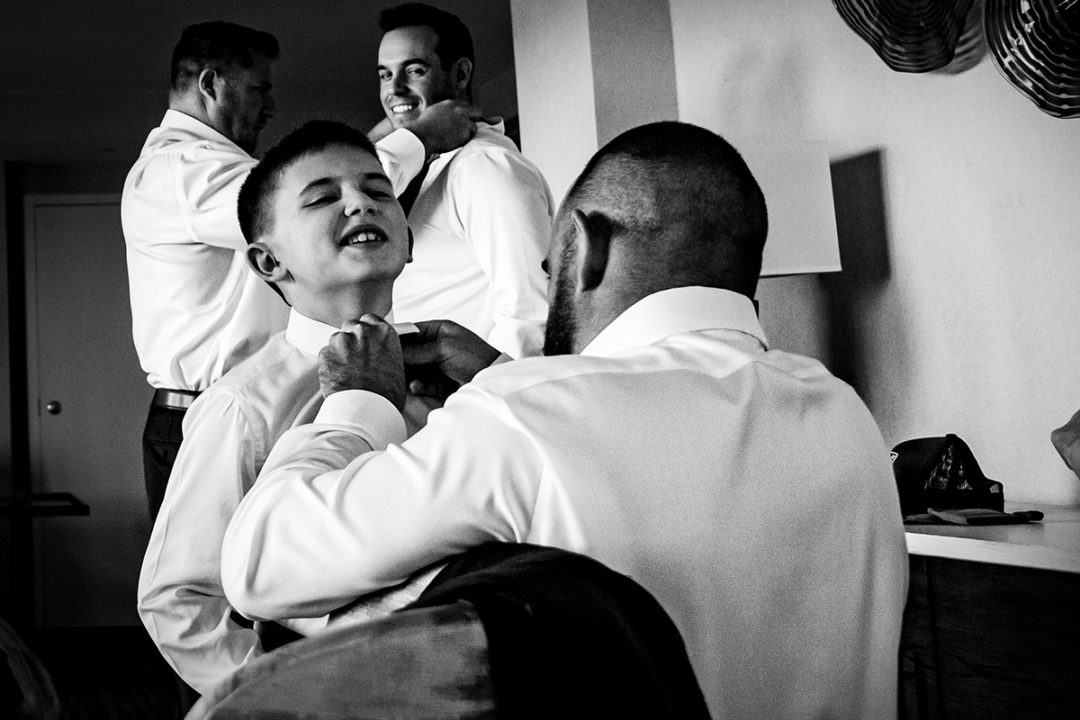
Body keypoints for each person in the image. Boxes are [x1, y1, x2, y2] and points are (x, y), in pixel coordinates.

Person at [220, 121, 909, 719]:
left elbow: (261, 563)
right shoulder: (843, 415)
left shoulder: (526, 414)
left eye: (550, 267)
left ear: (586, 246)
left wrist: (359, 402)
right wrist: (505, 376)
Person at [123, 20, 479, 522]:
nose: (270, 106)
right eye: (260, 89)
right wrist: (415, 139)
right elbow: (283, 207)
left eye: (375, 190)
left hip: (304, 389)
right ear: (210, 84)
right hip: (210, 416)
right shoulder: (178, 170)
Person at [137, 120, 440, 696]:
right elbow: (179, 601)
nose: (360, 203)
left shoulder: (458, 371)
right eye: (324, 198)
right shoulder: (242, 408)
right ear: (269, 263)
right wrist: (293, 695)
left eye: (379, 191)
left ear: (407, 233)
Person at [373, 2, 554, 359]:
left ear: (460, 74)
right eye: (384, 75)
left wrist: (480, 401)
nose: (395, 88)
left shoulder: (485, 166)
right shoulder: (420, 167)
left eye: (413, 70)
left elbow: (532, 318)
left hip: (472, 396)